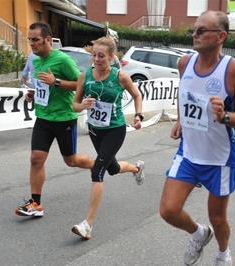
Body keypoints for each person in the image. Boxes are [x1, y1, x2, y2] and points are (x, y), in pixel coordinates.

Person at [159, 10, 235, 266]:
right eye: (194, 29)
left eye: (202, 30)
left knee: (218, 218)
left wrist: (225, 117)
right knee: (168, 211)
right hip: (188, 153)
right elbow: (185, 95)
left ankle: (223, 253)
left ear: (221, 36)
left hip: (219, 158)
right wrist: (181, 119)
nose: (195, 34)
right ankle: (199, 234)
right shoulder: (185, 63)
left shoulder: (234, 70)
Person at [15, 22, 94, 217]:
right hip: (43, 117)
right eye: (30, 40)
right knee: (36, 159)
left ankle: (97, 165)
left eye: (36, 40)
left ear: (48, 40)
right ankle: (36, 204)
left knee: (71, 160)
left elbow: (80, 84)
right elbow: (43, 86)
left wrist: (56, 82)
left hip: (64, 118)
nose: (32, 44)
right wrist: (34, 94)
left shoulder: (63, 60)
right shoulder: (34, 60)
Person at [71, 37, 145, 240]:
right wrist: (83, 105)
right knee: (111, 169)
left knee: (98, 170)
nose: (96, 59)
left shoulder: (120, 77)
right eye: (93, 55)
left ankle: (88, 224)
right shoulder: (84, 76)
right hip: (95, 129)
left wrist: (138, 115)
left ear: (111, 57)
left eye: (101, 56)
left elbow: (137, 95)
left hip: (115, 129)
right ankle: (137, 168)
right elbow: (74, 105)